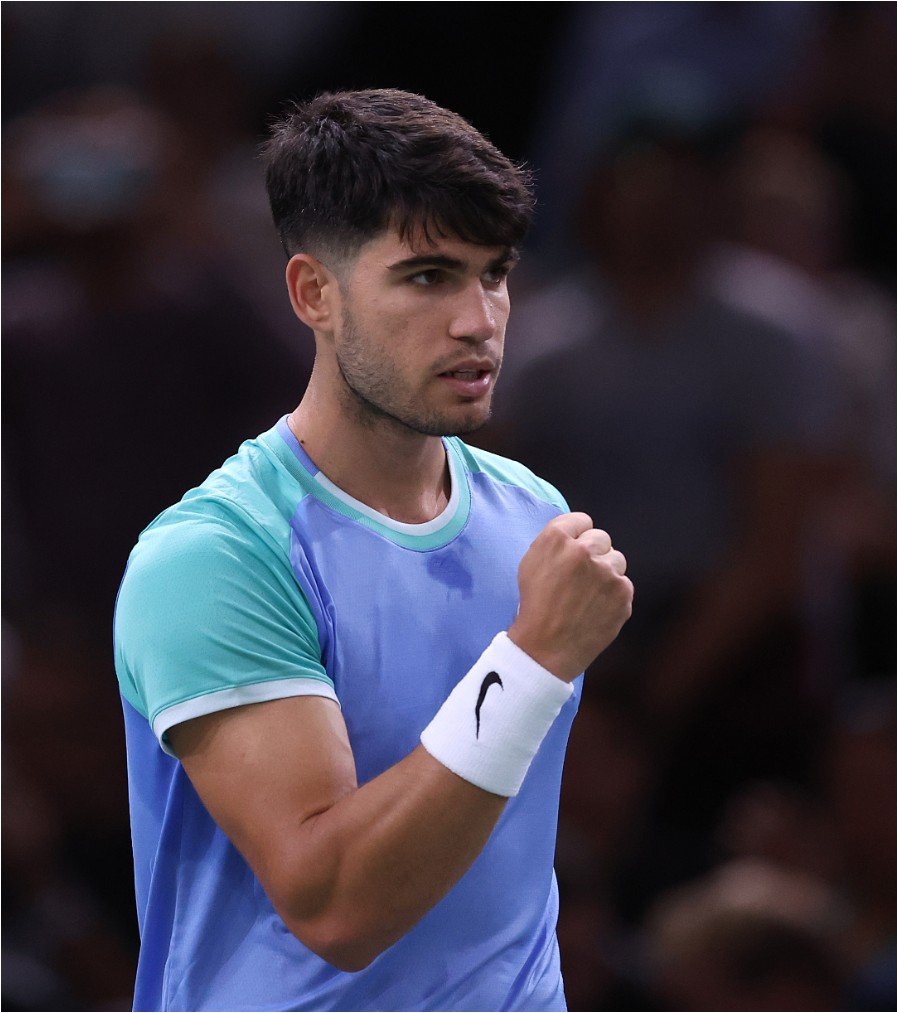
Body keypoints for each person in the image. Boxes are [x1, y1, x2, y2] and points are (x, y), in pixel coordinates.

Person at [111, 88, 633, 1011]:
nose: (479, 319)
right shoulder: (214, 558)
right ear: (315, 292)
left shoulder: (532, 515)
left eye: (496, 272)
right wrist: (533, 656)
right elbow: (337, 906)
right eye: (429, 276)